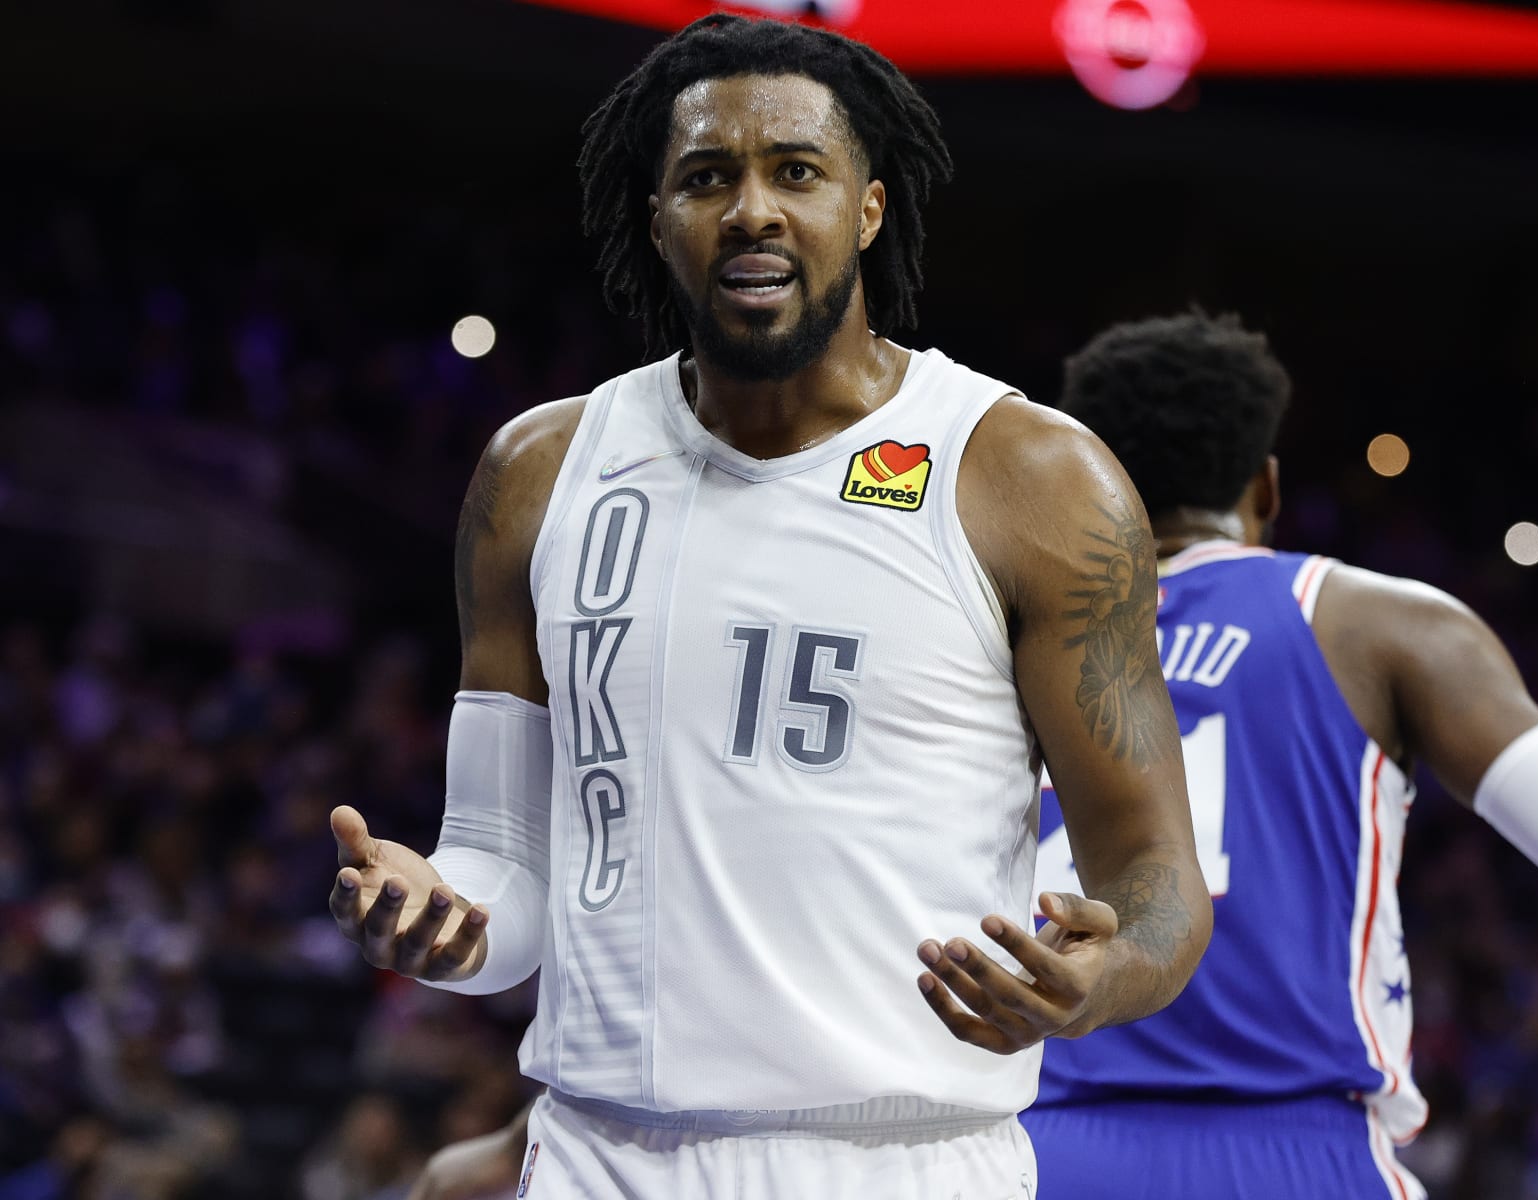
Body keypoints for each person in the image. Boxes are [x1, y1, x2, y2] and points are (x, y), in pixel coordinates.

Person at [325, 16, 1212, 1199]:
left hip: (906, 1160)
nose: (750, 209)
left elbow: (1155, 869)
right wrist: (444, 919)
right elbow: (505, 872)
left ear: (869, 209)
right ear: (657, 222)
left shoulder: (1030, 480)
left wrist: (1105, 982)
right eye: (707, 177)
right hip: (597, 1154)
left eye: (796, 171)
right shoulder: (538, 474)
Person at [1020, 309, 1538, 1198]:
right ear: (1267, 491)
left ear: (1088, 485)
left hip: (1027, 1153)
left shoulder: (1004, 644)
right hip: (1293, 1154)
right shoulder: (1370, 622)